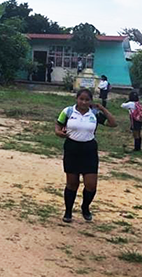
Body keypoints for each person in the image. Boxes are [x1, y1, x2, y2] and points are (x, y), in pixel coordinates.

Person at [55, 89, 117, 223]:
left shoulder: (94, 113)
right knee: (72, 184)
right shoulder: (68, 111)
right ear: (76, 99)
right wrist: (59, 132)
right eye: (81, 99)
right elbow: (58, 125)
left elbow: (113, 123)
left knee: (91, 185)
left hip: (89, 150)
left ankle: (85, 207)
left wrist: (102, 109)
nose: (84, 102)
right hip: (72, 149)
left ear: (91, 101)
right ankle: (68, 211)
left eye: (87, 100)